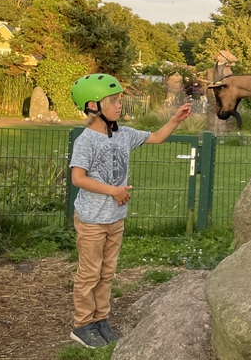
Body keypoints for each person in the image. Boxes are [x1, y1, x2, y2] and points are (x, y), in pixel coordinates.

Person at [67, 73, 192, 348]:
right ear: (93, 106)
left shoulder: (123, 134)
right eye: (112, 101)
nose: (119, 105)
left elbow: (156, 137)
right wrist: (114, 190)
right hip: (92, 219)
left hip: (115, 218)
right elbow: (78, 178)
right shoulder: (86, 140)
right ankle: (82, 325)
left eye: (118, 100)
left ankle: (100, 319)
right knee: (90, 273)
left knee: (107, 272)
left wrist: (175, 119)